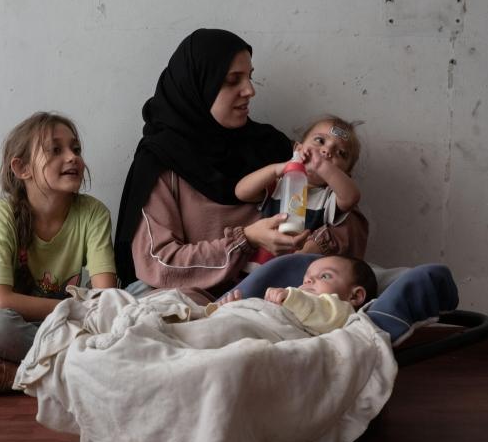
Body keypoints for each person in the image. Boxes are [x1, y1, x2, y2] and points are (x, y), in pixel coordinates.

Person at [114, 28, 369, 300]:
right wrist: (245, 240)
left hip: (279, 292)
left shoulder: (269, 145)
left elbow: (347, 220)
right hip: (197, 296)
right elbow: (158, 263)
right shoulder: (162, 162)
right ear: (199, 85)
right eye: (232, 80)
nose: (250, 90)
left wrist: (307, 251)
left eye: (249, 77)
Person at [0, 111, 116, 395]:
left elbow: (106, 295)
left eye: (76, 149)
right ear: (22, 168)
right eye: (55, 150)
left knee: (146, 292)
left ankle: (24, 378)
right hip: (30, 327)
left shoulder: (93, 213)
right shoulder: (2, 217)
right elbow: (0, 300)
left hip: (78, 322)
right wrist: (78, 310)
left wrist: (86, 312)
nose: (72, 157)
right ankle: (91, 366)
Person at [235, 116, 363, 270]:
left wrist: (322, 165)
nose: (326, 151)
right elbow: (241, 192)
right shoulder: (279, 183)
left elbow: (351, 198)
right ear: (298, 149)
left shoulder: (329, 198)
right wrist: (278, 169)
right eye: (320, 141)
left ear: (345, 175)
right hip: (255, 268)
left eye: (340, 153)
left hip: (296, 275)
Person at [215, 255, 377, 335]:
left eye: (325, 276)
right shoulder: (293, 301)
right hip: (241, 323)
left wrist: (291, 298)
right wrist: (232, 308)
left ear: (354, 297)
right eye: (306, 278)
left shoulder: (340, 311)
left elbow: (318, 311)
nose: (309, 280)